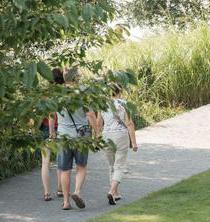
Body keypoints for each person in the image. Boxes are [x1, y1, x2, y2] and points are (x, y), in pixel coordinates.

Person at [50, 67, 98, 210]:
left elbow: (52, 115)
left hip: (63, 136)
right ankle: (76, 192)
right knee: (81, 166)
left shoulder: (57, 94)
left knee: (64, 169)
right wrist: (97, 132)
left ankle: (65, 202)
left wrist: (52, 132)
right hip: (81, 135)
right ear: (77, 78)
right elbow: (90, 114)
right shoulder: (82, 93)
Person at [97, 83, 138, 205]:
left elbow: (99, 122)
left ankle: (115, 193)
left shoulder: (102, 104)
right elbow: (129, 123)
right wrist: (134, 143)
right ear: (119, 92)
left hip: (106, 136)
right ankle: (111, 191)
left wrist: (98, 137)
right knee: (119, 165)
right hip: (121, 136)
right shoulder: (124, 104)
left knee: (111, 165)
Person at [40, 68, 65, 201]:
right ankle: (60, 189)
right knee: (61, 161)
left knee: (45, 162)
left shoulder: (45, 94)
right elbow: (53, 115)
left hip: (45, 128)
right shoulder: (64, 93)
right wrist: (53, 132)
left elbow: (44, 113)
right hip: (60, 128)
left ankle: (46, 192)